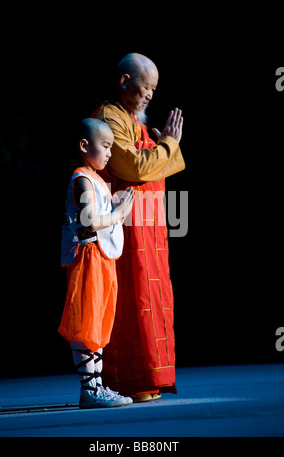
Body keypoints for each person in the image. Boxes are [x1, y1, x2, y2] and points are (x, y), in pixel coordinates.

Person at [91, 53, 185, 402]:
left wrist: (156, 143)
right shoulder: (109, 117)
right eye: (147, 86)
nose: (150, 95)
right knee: (132, 298)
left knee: (152, 296)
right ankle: (129, 378)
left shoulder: (132, 119)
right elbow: (131, 167)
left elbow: (144, 155)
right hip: (123, 223)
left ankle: (149, 374)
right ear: (125, 81)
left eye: (155, 89)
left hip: (145, 225)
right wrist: (169, 145)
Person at [58, 118, 134, 408]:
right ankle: (90, 390)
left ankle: (96, 387)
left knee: (99, 324)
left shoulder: (98, 180)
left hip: (102, 260)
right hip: (88, 259)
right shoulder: (82, 179)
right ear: (84, 146)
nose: (110, 153)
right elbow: (90, 224)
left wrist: (115, 206)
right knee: (86, 323)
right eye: (105, 146)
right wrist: (117, 214)